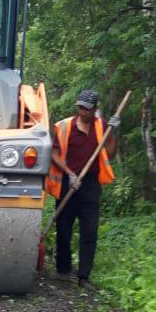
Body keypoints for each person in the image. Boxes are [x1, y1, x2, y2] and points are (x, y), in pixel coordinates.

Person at [45, 88, 121, 288]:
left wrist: (112, 133)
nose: (83, 112)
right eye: (80, 108)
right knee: (63, 229)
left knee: (89, 231)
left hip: (90, 184)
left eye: (87, 109)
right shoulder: (63, 127)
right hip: (68, 182)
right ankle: (63, 271)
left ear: (95, 109)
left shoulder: (101, 127)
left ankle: (84, 277)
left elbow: (110, 154)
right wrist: (69, 173)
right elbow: (53, 153)